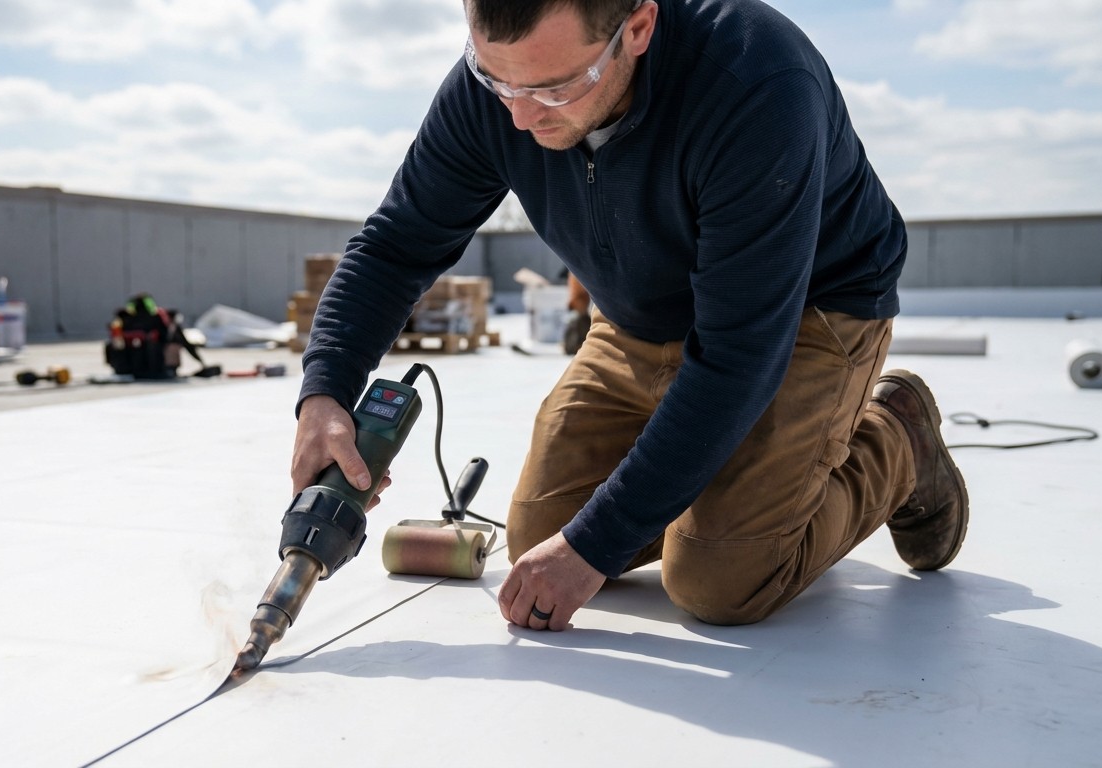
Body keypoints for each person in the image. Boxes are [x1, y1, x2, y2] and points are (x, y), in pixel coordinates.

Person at [290, 0, 968, 632]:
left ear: (638, 27)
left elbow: (739, 355)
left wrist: (597, 543)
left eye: (554, 89)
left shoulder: (756, 83)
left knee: (721, 577)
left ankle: (897, 438)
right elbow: (395, 245)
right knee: (541, 535)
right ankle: (706, 480)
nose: (520, 117)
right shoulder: (504, 82)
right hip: (638, 315)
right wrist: (323, 393)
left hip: (803, 315)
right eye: (497, 81)